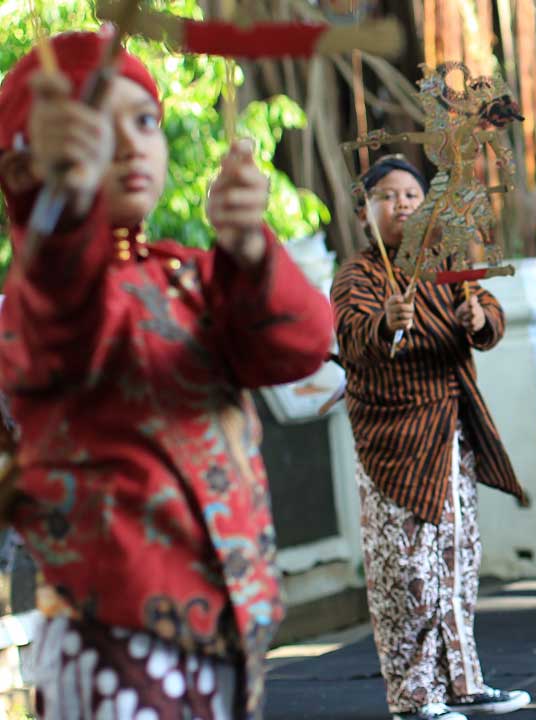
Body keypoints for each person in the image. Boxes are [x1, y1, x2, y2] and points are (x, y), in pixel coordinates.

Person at [0, 31, 334, 717]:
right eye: (96, 126)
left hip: (230, 620)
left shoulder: (196, 276)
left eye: (145, 121)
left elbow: (301, 347)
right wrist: (56, 201)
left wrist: (249, 250)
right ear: (26, 167)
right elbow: (66, 318)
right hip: (114, 627)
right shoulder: (40, 295)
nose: (129, 144)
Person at [331, 155, 531, 720]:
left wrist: (478, 319)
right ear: (365, 210)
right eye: (388, 197)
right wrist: (388, 321)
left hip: (450, 433)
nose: (402, 206)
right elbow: (354, 334)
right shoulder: (358, 275)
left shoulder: (442, 263)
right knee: (408, 571)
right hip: (395, 439)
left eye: (412, 197)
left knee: (458, 560)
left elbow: (487, 309)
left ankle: (463, 683)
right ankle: (415, 697)